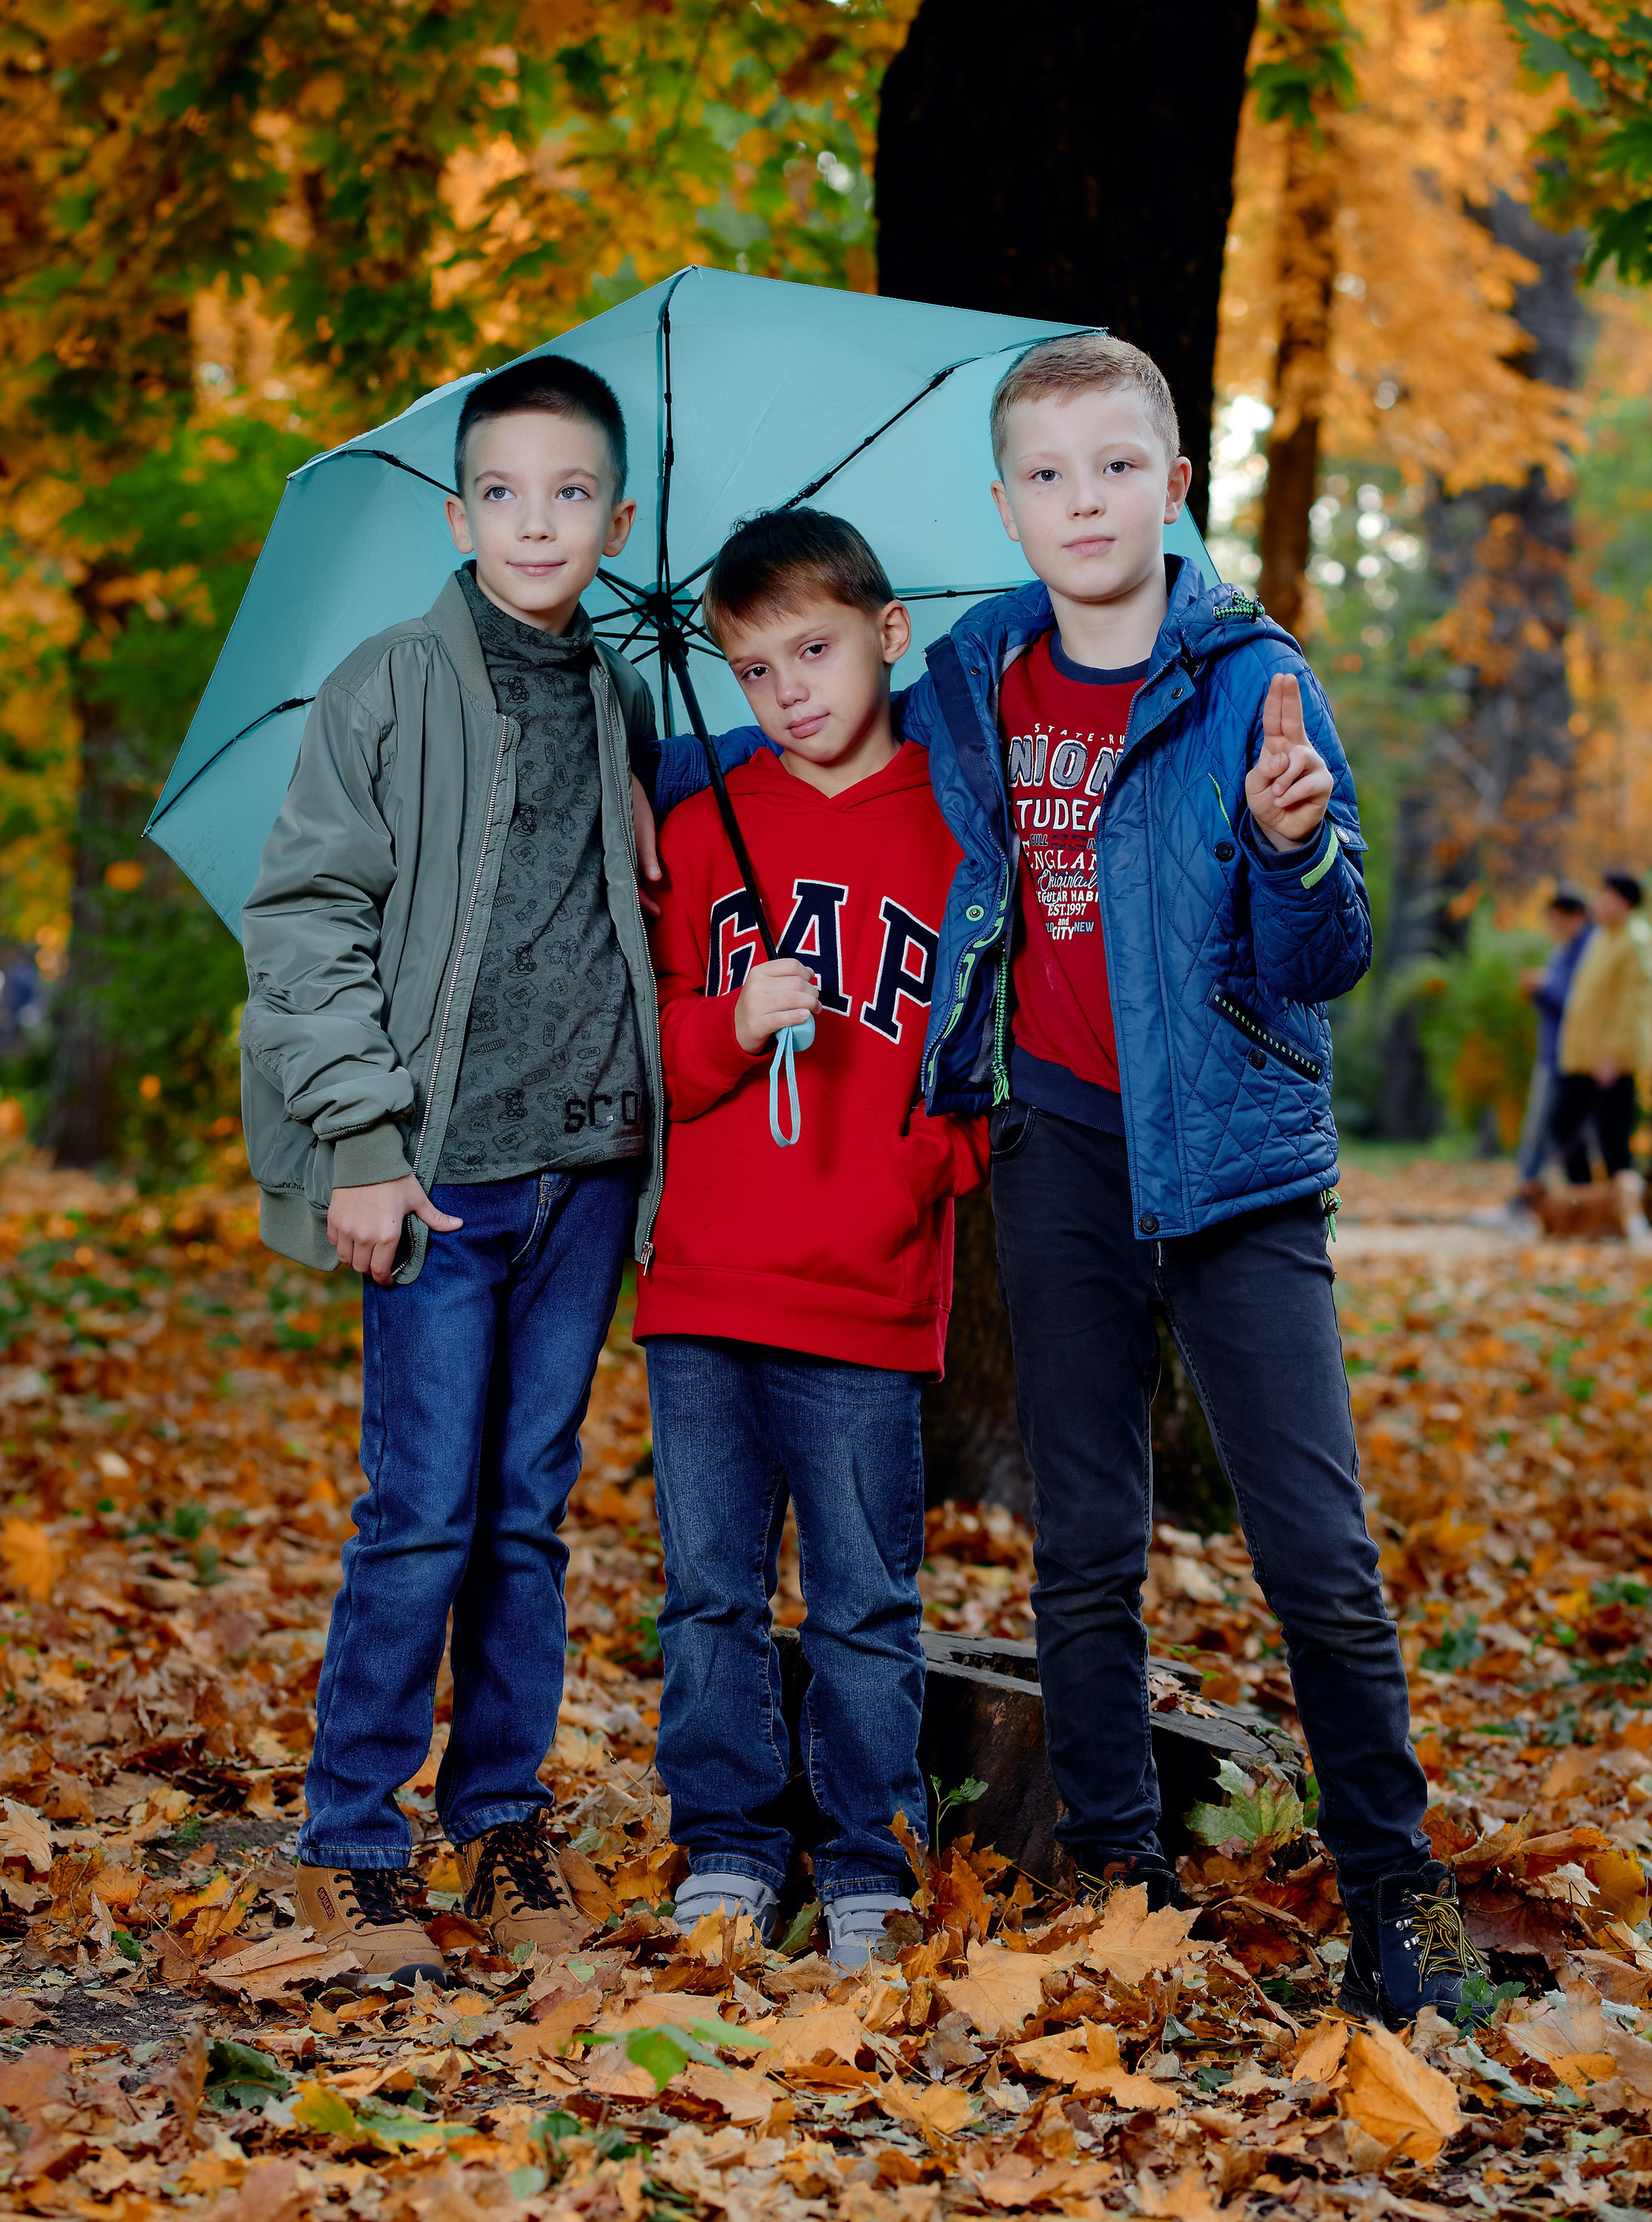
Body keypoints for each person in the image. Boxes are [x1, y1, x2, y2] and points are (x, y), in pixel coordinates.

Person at [897, 331, 1487, 2025]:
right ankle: (1123, 1874)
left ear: (1172, 486)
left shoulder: (1248, 680)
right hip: (1060, 1143)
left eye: (1113, 468)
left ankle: (1398, 1893)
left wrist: (1301, 844)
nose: (1082, 501)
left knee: (1314, 1543)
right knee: (1082, 1540)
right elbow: (847, 765)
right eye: (1046, 475)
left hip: (1233, 1152)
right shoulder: (977, 675)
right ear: (1008, 508)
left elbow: (1326, 955)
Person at [242, 353, 672, 1984]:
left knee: (525, 1513)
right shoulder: (387, 688)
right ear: (460, 510)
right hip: (433, 1177)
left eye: (572, 495)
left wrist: (658, 806)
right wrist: (356, 1136)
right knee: (418, 1511)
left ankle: (496, 1821)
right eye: (505, 492)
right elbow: (306, 923)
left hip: (585, 1170)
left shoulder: (622, 696)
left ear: (616, 519)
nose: (538, 520)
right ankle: (350, 1834)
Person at [633, 510, 989, 1970]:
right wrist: (732, 1020)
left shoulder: (956, 824)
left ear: (886, 635)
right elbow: (642, 1050)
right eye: (755, 665)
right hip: (707, 1281)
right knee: (710, 1586)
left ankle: (868, 1858)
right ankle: (727, 1840)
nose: (789, 689)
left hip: (863, 1285)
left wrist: (927, 1161)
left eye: (816, 649)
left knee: (861, 1596)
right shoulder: (699, 828)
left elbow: (988, 1046)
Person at [1550, 870, 1652, 1185]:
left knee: (1611, 1134)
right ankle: (1588, 1200)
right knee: (1570, 1125)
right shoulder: (1604, 936)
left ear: (1624, 902)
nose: (1599, 903)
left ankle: (1619, 1207)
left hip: (1610, 1060)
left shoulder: (1635, 940)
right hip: (1587, 1055)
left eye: (1606, 897)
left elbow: (1632, 1007)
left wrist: (1614, 1054)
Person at [1512, 888, 1592, 1188]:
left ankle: (1528, 1197)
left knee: (1546, 1128)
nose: (1554, 929)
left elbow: (1577, 1003)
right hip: (1553, 1050)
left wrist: (1543, 988)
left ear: (1576, 917)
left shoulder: (1587, 950)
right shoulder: (1566, 949)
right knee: (1551, 1128)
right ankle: (1536, 1196)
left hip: (1567, 1054)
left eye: (1558, 921)